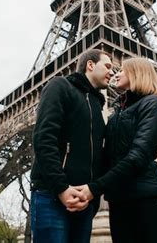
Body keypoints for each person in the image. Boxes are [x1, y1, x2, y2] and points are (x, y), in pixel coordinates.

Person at [77, 57, 157, 243]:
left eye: (122, 70)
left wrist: (94, 189)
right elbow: (106, 158)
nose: (115, 73)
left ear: (137, 73)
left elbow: (138, 157)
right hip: (119, 202)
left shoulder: (154, 104)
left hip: (146, 202)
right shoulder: (115, 115)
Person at [30, 49, 114, 243]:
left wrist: (91, 195)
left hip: (84, 204)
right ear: (90, 65)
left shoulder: (98, 106)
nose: (112, 72)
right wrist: (61, 188)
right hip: (51, 196)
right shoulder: (60, 86)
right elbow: (44, 138)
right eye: (108, 66)